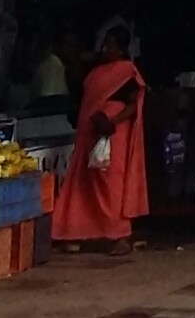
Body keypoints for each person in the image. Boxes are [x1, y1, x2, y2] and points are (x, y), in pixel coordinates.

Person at [51, 28, 148, 251]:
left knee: (110, 185)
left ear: (121, 50)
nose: (105, 49)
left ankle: (119, 236)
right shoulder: (96, 71)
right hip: (89, 134)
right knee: (83, 183)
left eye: (111, 45)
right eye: (105, 44)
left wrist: (112, 121)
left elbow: (133, 105)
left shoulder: (127, 72)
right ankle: (75, 233)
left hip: (113, 136)